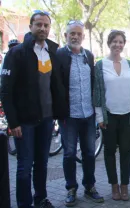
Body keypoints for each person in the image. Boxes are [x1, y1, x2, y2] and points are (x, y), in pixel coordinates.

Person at [0, 10, 67, 208]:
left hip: (46, 120)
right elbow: (5, 91)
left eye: (46, 25)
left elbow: (56, 87)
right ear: (31, 27)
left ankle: (41, 199)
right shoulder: (16, 53)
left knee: (42, 164)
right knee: (24, 167)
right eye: (39, 24)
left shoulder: (51, 52)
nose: (43, 28)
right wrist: (13, 122)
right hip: (25, 122)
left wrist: (58, 113)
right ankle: (24, 204)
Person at [56, 20, 103, 206]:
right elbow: (56, 85)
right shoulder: (59, 55)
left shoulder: (88, 56)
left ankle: (89, 186)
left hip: (88, 114)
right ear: (66, 36)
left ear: (83, 36)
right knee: (68, 154)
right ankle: (71, 188)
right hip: (69, 115)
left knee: (89, 153)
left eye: (78, 34)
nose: (75, 36)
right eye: (71, 34)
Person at [94, 30, 130, 201]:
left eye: (121, 42)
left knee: (125, 152)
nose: (117, 45)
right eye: (114, 41)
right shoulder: (100, 65)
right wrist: (100, 117)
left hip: (127, 115)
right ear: (109, 43)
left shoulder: (129, 64)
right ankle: (114, 186)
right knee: (109, 151)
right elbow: (97, 93)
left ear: (124, 44)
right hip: (109, 116)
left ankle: (124, 185)